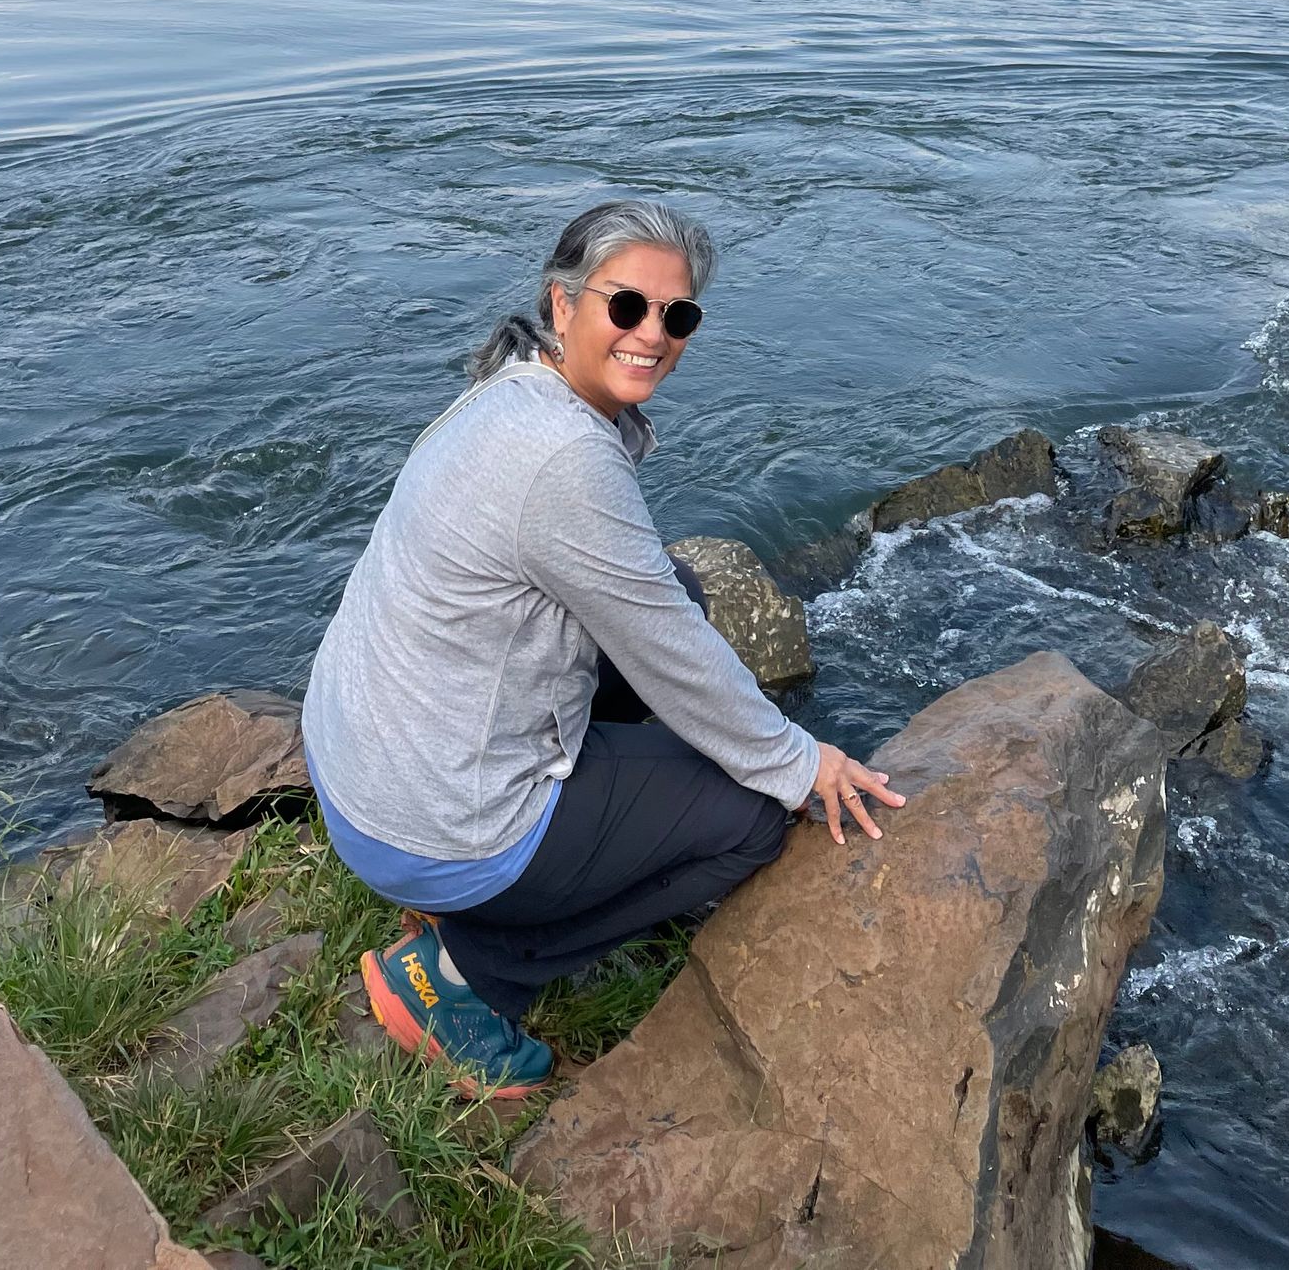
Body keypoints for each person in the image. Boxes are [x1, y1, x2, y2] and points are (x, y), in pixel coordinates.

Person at [302, 197, 903, 1098]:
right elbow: (673, 655)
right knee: (749, 816)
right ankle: (466, 975)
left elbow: (658, 613)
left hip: (361, 772)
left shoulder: (508, 390)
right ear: (562, 305)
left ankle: (524, 875)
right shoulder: (563, 458)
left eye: (678, 315)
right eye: (627, 306)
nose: (652, 334)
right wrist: (798, 761)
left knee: (683, 593)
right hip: (431, 821)